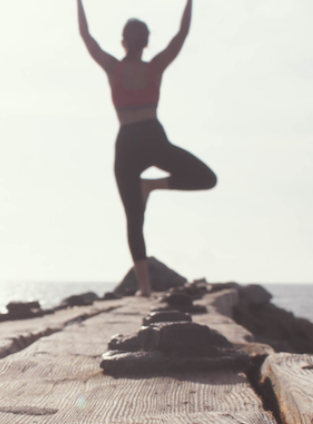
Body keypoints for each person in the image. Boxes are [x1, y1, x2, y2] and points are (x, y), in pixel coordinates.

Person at [77, 0, 217, 297]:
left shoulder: (114, 67)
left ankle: (145, 288)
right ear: (146, 42)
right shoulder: (154, 67)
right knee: (206, 178)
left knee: (134, 218)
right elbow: (181, 35)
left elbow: (87, 37)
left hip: (129, 141)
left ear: (124, 40)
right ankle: (153, 186)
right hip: (151, 137)